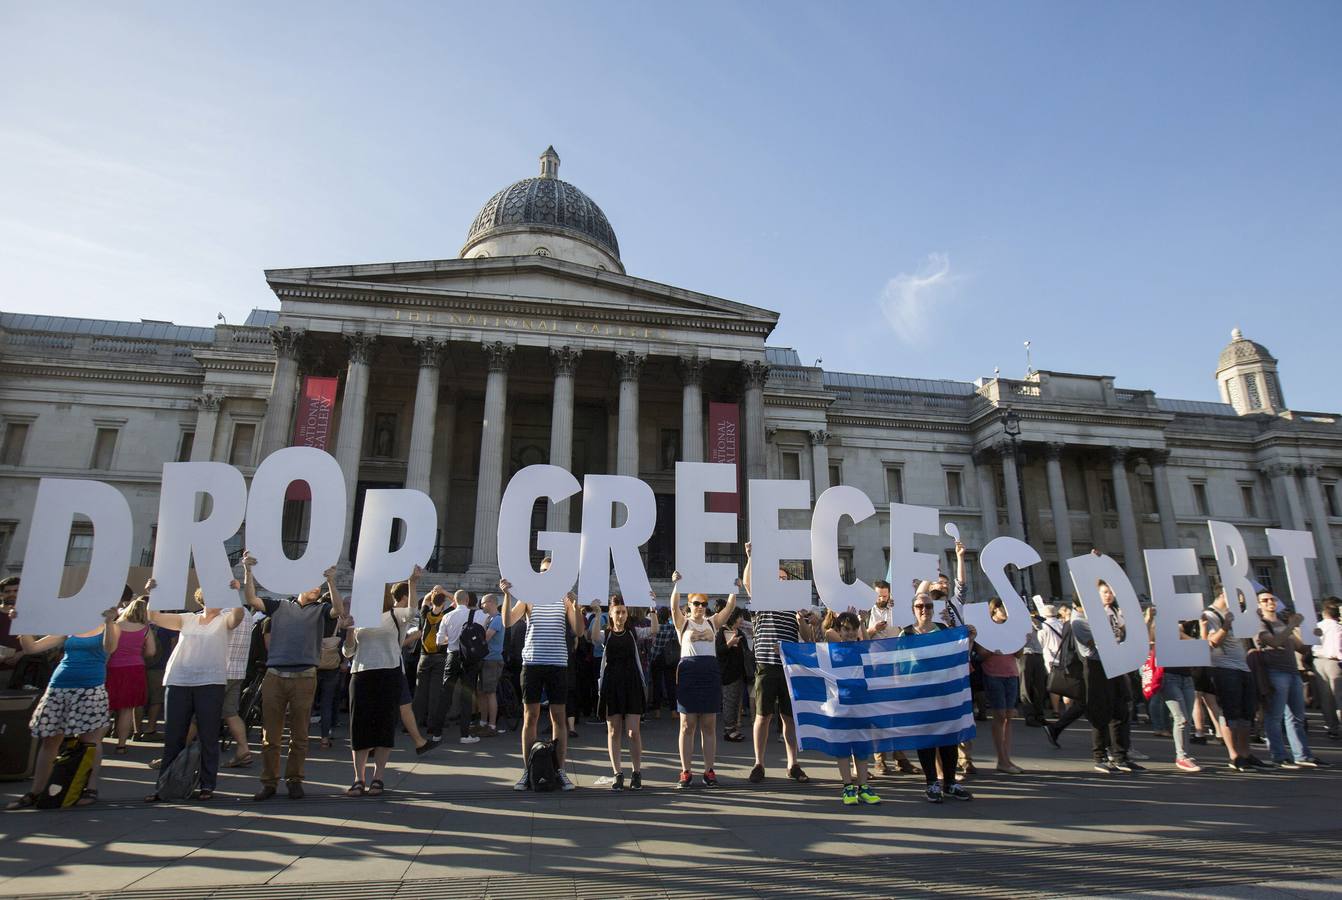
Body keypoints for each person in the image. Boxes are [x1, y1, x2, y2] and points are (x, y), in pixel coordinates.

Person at [241, 554, 343, 801]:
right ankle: (269, 781)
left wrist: (331, 582)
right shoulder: (279, 606)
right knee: (271, 735)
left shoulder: (320, 610)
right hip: (275, 675)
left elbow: (338, 610)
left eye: (319, 587)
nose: (317, 589)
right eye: (313, 585)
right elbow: (251, 599)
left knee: (300, 734)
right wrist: (248, 572)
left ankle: (295, 779)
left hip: (305, 676)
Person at [6, 606, 120, 809]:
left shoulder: (109, 626)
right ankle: (36, 791)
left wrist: (110, 622)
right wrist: (22, 626)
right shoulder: (70, 629)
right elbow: (32, 648)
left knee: (90, 741)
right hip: (59, 685)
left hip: (90, 687)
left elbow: (109, 648)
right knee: (50, 739)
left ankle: (90, 789)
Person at [143, 582, 247, 802]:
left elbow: (237, 616)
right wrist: (152, 592)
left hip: (211, 682)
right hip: (179, 679)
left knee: (208, 736)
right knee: (174, 736)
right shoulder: (187, 618)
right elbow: (153, 615)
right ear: (203, 598)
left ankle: (207, 785)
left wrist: (233, 592)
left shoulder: (224, 621)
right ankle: (164, 785)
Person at [1046, 579, 1143, 774]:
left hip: (1113, 663)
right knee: (1100, 712)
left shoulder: (1102, 615)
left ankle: (1120, 756)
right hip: (1096, 666)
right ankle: (1100, 756)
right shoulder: (1078, 621)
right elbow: (1098, 643)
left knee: (1121, 710)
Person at [500, 573, 582, 791]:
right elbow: (507, 621)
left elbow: (580, 631)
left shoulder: (565, 598)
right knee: (530, 717)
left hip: (558, 662)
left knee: (559, 718)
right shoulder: (529, 597)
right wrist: (507, 595)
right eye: (545, 571)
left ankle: (560, 770)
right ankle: (528, 770)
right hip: (532, 662)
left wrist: (575, 605)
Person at [340, 574, 417, 796]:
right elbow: (348, 652)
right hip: (361, 673)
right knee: (359, 726)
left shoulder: (395, 615)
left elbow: (413, 612)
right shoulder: (360, 617)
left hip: (388, 672)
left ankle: (378, 777)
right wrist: (348, 630)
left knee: (384, 726)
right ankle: (358, 778)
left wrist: (412, 583)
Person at [742, 542, 812, 785]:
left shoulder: (794, 605)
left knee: (789, 719)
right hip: (766, 665)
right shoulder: (763, 601)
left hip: (789, 667)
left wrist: (801, 618)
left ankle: (793, 764)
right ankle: (758, 763)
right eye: (777, 578)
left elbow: (807, 635)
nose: (780, 582)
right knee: (763, 716)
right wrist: (751, 557)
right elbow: (748, 585)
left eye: (784, 578)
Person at [901, 592, 973, 803]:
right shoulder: (906, 635)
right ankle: (931, 781)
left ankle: (950, 782)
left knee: (948, 737)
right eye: (920, 606)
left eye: (928, 606)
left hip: (943, 694)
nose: (924, 610)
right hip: (919, 695)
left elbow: (958, 657)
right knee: (926, 739)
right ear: (913, 610)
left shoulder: (943, 630)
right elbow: (897, 665)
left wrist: (970, 639)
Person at [670, 573, 738, 788]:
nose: (700, 607)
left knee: (709, 724)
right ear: (689, 605)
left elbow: (728, 609)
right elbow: (673, 608)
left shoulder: (712, 622)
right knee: (686, 724)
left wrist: (733, 587)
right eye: (696, 603)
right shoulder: (683, 622)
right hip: (689, 671)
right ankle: (685, 771)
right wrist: (677, 585)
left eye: (703, 603)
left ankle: (709, 770)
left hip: (709, 671)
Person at [1254, 591, 1327, 769]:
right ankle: (1279, 756)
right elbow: (1275, 642)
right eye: (1265, 600)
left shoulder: (1281, 621)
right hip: (1275, 672)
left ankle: (1302, 755)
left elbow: (1301, 648)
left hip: (1292, 671)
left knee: (1297, 717)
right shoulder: (1259, 624)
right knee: (1275, 716)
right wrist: (1292, 625)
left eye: (1273, 599)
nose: (1270, 602)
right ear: (1258, 605)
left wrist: (1313, 635)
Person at [1202, 590, 1267, 771]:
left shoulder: (1237, 615)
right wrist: (1226, 624)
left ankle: (1246, 753)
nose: (1242, 601)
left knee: (1247, 713)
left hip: (1243, 667)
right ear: (1224, 593)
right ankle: (1234, 755)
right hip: (1223, 668)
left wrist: (1256, 620)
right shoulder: (1209, 614)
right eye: (1240, 597)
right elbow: (1212, 642)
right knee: (1231, 713)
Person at [823, 611, 880, 805]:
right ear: (839, 630)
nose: (850, 633)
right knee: (843, 747)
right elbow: (823, 638)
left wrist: (862, 623)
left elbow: (868, 652)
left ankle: (863, 786)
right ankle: (847, 786)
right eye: (846, 629)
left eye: (853, 629)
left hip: (861, 706)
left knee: (862, 747)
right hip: (840, 706)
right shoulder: (832, 650)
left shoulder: (861, 650)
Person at [591, 595, 648, 791]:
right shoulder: (606, 634)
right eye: (617, 612)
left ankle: (636, 772)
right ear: (611, 613)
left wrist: (653, 609)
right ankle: (617, 773)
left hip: (631, 683)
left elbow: (654, 630)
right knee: (614, 731)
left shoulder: (633, 632)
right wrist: (598, 614)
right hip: (611, 684)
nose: (621, 616)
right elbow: (593, 638)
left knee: (633, 732)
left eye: (624, 612)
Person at [1143, 607, 1203, 773]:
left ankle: (1185, 755)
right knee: (1181, 718)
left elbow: (1198, 644)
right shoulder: (1159, 628)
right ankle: (1181, 756)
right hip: (1168, 677)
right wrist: (1149, 619)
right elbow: (1147, 641)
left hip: (1186, 677)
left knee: (1186, 719)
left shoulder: (1181, 630)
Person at [977, 597, 1026, 774]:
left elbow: (1018, 654)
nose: (1006, 612)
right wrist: (992, 650)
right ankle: (1002, 758)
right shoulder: (987, 630)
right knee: (999, 715)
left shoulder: (1012, 629)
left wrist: (1023, 641)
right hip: (993, 674)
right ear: (994, 610)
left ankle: (1007, 759)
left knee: (1009, 716)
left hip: (1011, 673)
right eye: (1003, 608)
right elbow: (981, 653)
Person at [430, 589, 484, 745]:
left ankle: (437, 733)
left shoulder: (447, 616)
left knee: (445, 694)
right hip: (469, 658)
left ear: (455, 600)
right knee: (467, 696)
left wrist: (452, 639)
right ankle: (465, 734)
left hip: (452, 655)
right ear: (467, 600)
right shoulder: (478, 615)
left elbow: (439, 641)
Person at [106, 596, 156, 754]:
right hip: (135, 668)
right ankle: (121, 745)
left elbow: (109, 648)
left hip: (114, 668)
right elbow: (151, 651)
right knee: (127, 709)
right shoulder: (145, 628)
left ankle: (95, 741)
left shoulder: (116, 625)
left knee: (106, 707)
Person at [221, 599, 256, 768]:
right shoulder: (247, 614)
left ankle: (175, 756)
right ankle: (243, 749)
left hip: (218, 670)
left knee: (199, 714)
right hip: (237, 670)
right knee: (231, 712)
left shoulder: (221, 612)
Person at [413, 585, 450, 729]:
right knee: (435, 691)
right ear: (444, 603)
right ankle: (432, 723)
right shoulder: (446, 615)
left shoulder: (425, 614)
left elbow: (425, 601)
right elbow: (457, 602)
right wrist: (444, 591)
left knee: (420, 690)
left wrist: (433, 592)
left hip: (424, 655)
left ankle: (416, 721)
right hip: (440, 656)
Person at [1311, 600, 1341, 741]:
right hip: (1334, 661)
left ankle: (1332, 727)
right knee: (1339, 696)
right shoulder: (1337, 627)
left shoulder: (1317, 625)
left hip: (1318, 660)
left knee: (1326, 697)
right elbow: (1337, 648)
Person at [717, 608, 748, 743]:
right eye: (739, 617)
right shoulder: (723, 631)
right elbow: (718, 650)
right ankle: (729, 730)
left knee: (736, 702)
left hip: (740, 672)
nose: (741, 619)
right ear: (733, 617)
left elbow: (746, 649)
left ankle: (733, 728)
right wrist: (729, 644)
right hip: (728, 672)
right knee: (729, 701)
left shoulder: (740, 632)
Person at [478, 593, 506, 735]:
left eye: (483, 603)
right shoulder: (490, 618)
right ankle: (483, 722)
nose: (481, 605)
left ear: (490, 602)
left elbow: (485, 638)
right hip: (487, 659)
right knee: (482, 692)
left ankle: (492, 725)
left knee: (490, 692)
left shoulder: (496, 619)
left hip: (492, 660)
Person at [648, 606, 677, 717]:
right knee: (670, 684)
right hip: (669, 657)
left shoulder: (655, 627)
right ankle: (673, 711)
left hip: (656, 656)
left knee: (657, 684)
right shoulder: (671, 628)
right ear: (668, 616)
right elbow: (675, 640)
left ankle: (657, 711)